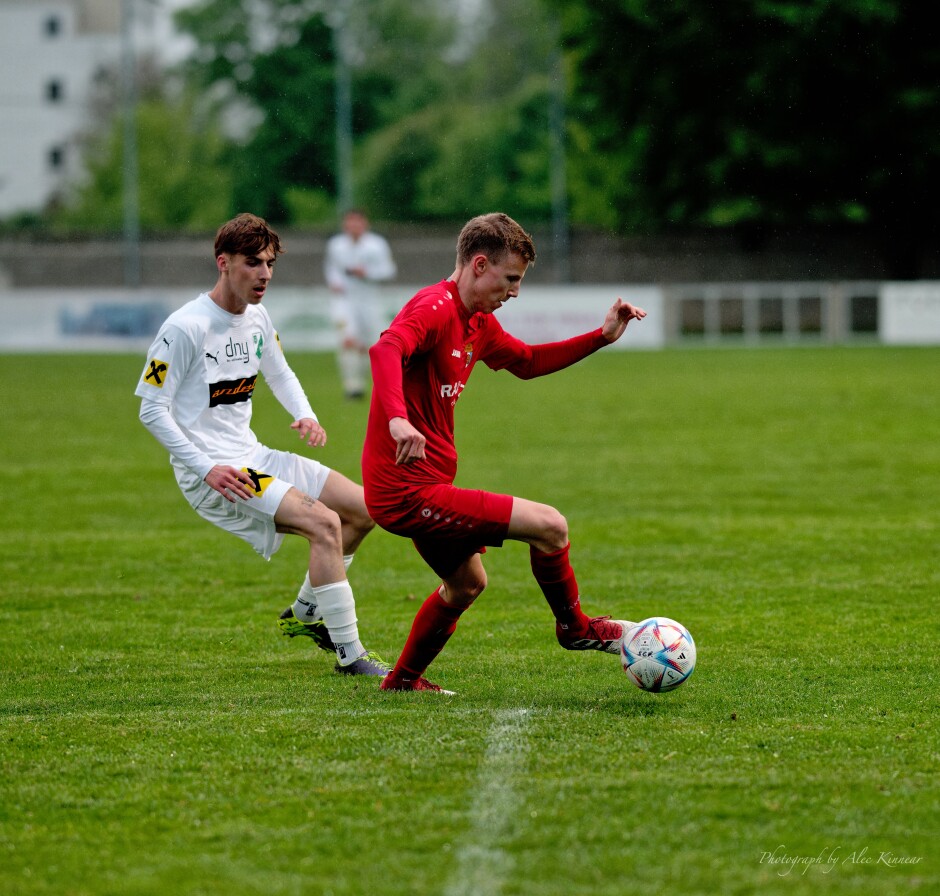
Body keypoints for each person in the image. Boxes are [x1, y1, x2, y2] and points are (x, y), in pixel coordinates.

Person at [363, 212, 648, 693]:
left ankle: (402, 681)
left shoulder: (477, 322)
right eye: (510, 278)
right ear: (479, 265)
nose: (514, 292)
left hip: (425, 486)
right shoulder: (434, 308)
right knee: (550, 526)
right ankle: (575, 629)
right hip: (407, 490)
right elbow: (386, 348)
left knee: (467, 583)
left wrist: (601, 338)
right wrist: (397, 417)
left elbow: (529, 362)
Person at [135, 213, 389, 677]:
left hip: (253, 454)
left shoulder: (256, 317)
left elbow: (279, 371)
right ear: (223, 263)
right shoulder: (184, 328)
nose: (265, 274)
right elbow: (151, 409)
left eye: (270, 263)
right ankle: (351, 656)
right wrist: (205, 467)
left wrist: (305, 413)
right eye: (253, 263)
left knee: (365, 510)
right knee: (325, 524)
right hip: (216, 472)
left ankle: (308, 612)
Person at [324, 208, 397, 399]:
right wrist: (335, 283)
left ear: (365, 223)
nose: (354, 226)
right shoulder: (336, 245)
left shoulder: (376, 244)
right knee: (348, 339)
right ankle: (351, 385)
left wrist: (367, 273)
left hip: (369, 300)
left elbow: (388, 270)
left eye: (358, 222)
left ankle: (365, 382)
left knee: (370, 344)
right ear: (345, 224)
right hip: (344, 300)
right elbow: (332, 269)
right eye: (350, 222)